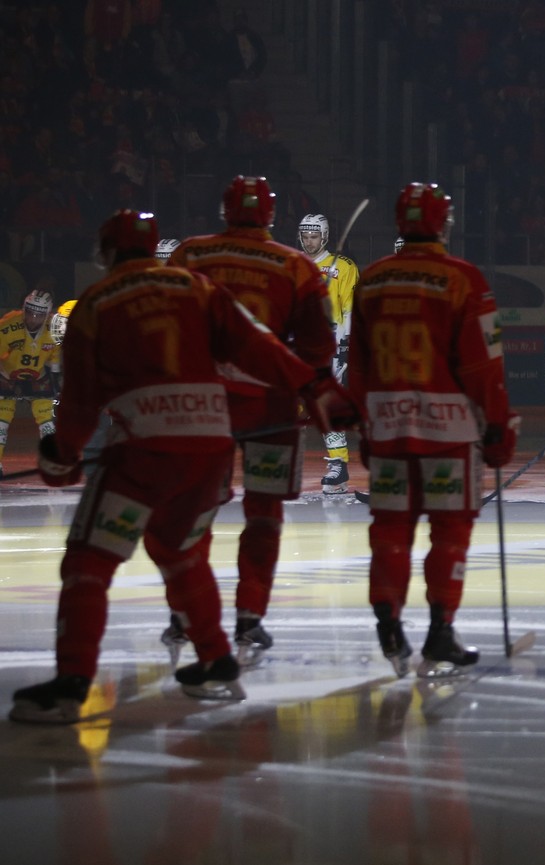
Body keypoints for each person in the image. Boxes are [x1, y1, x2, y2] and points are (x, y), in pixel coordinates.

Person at [9, 210, 355, 724]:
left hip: (142, 452)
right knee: (180, 551)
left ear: (105, 254)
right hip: (208, 445)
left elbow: (80, 404)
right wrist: (317, 386)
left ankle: (71, 682)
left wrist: (62, 457)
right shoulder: (199, 289)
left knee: (89, 560)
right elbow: (256, 345)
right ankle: (216, 661)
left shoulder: (94, 305)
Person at [349, 182, 518, 678]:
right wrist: (498, 427)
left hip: (389, 431)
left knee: (390, 531)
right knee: (450, 534)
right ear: (445, 223)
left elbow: (357, 365)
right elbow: (484, 365)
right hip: (449, 432)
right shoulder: (463, 279)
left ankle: (388, 623)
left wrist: (364, 424)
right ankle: (440, 632)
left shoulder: (372, 279)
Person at [167, 176, 336, 665]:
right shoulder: (296, 265)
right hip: (270, 408)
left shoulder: (189, 255)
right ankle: (249, 617)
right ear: (271, 215)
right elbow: (318, 347)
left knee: (195, 509)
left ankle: (183, 612)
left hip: (203, 406)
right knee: (263, 514)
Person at [298, 213, 361, 494]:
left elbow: (351, 307)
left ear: (323, 236)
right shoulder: (291, 264)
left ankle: (339, 465)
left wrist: (346, 343)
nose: (309, 241)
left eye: (314, 236)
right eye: (305, 236)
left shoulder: (344, 267)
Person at [0, 289, 60, 480]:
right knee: (1, 420)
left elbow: (55, 364)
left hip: (38, 376)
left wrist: (57, 385)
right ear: (23, 309)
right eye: (30, 312)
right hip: (6, 375)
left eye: (39, 314)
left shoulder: (55, 329)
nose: (33, 319)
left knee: (47, 421)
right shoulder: (7, 325)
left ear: (48, 314)